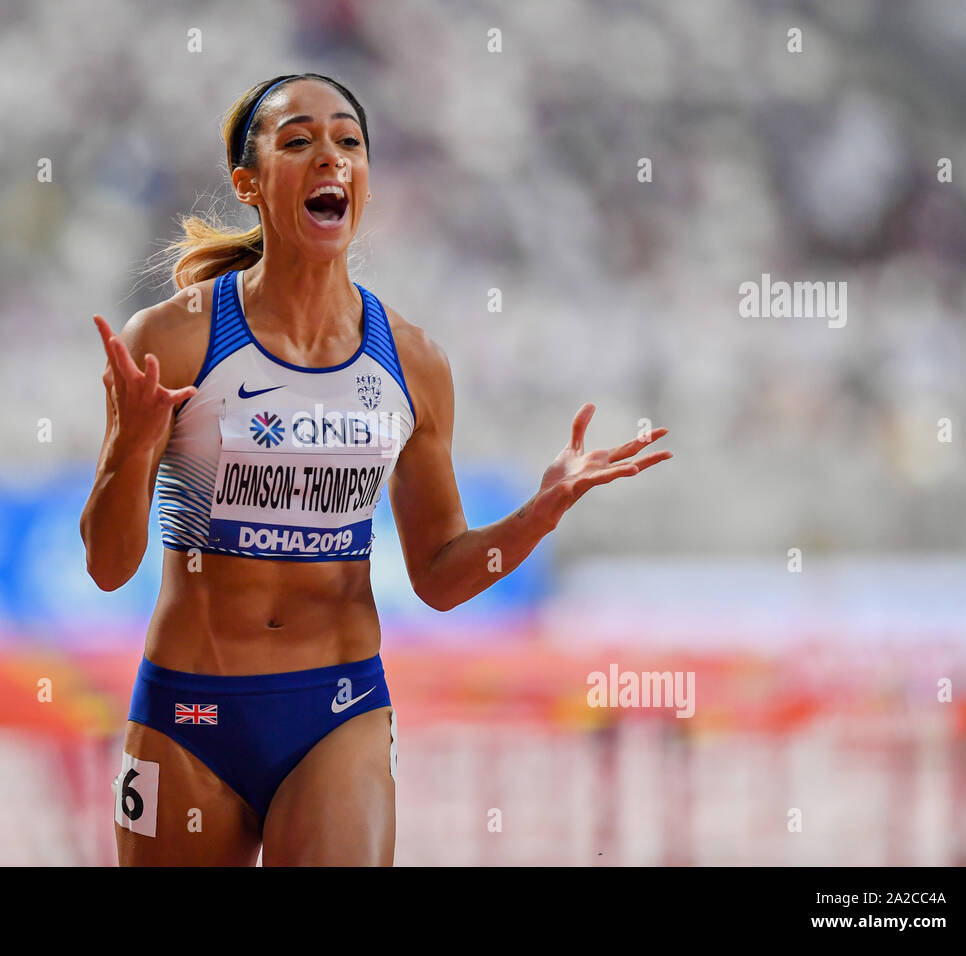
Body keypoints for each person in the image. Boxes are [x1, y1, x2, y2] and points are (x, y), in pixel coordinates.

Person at [80, 73, 672, 866]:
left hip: (338, 712)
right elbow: (109, 567)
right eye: (298, 142)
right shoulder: (173, 339)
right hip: (189, 715)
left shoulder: (413, 361)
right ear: (248, 184)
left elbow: (437, 574)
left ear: (364, 179)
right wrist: (130, 444)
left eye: (348, 142)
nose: (329, 157)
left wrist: (539, 512)